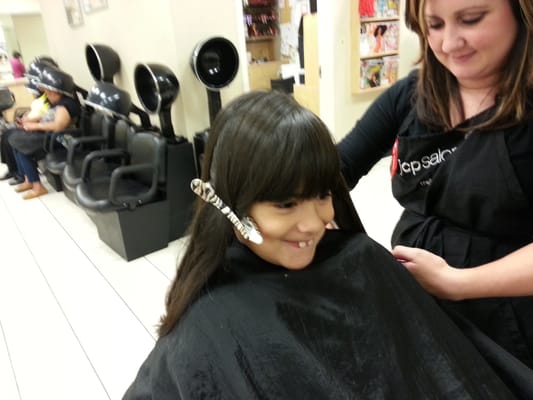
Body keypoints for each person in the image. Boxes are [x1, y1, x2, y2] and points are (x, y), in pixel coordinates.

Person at [123, 91, 523, 399]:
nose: (314, 222)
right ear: (228, 202)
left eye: (321, 195)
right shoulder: (206, 324)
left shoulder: (361, 259)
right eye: (285, 204)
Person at [338, 0, 533, 371]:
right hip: (414, 296)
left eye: (471, 20)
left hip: (508, 320)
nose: (449, 43)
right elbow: (336, 168)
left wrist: (457, 282)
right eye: (434, 25)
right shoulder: (414, 93)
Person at [8, 65, 80, 199]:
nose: (46, 94)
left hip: (59, 141)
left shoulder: (66, 104)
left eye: (48, 92)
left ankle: (37, 187)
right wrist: (29, 121)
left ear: (56, 91)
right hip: (49, 138)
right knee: (17, 144)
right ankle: (29, 180)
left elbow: (58, 125)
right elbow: (48, 116)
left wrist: (35, 126)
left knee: (22, 147)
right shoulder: (58, 104)